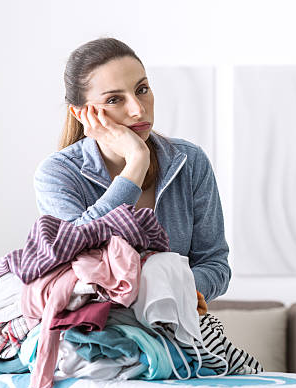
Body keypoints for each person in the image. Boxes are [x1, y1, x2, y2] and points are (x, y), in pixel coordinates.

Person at [33, 38, 230, 303]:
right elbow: (73, 254)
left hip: (176, 326)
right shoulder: (57, 174)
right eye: (114, 99)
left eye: (142, 89)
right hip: (95, 334)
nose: (138, 110)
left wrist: (166, 294)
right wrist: (137, 162)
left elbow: (215, 265)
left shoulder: (190, 161)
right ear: (81, 114)